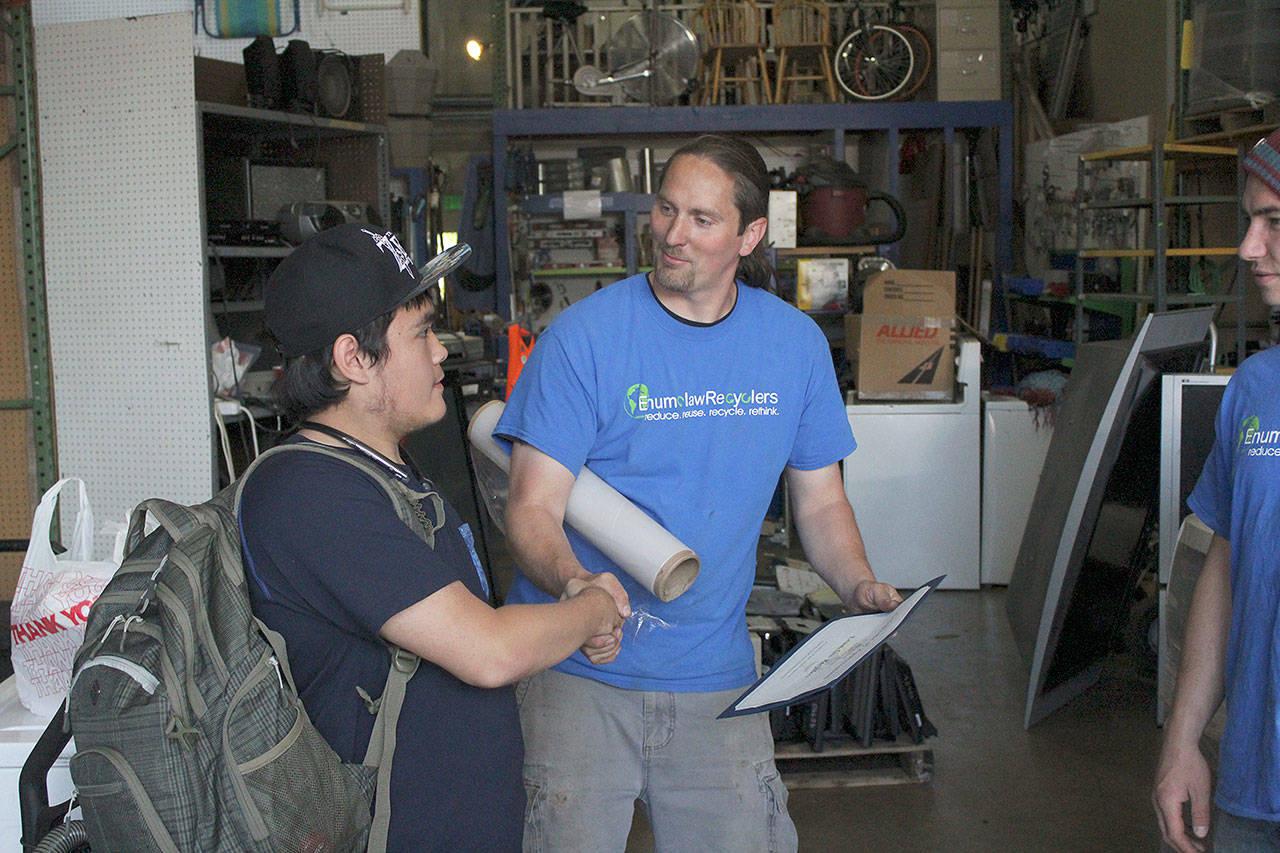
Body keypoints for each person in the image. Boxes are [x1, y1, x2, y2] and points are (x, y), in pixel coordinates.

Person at [494, 134, 903, 851]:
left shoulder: (794, 346)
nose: (673, 234)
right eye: (665, 208)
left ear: (749, 234)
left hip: (717, 678)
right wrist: (574, 581)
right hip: (577, 669)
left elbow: (822, 501)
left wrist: (858, 582)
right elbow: (530, 503)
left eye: (702, 219)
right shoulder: (586, 338)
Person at [238, 224, 626, 851]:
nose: (441, 351)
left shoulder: (383, 468)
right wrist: (591, 609)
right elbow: (488, 651)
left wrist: (576, 598)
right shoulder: (308, 495)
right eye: (420, 333)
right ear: (352, 359)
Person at [1153, 128, 1280, 852]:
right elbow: (1225, 570)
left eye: (1275, 223)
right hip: (1251, 788)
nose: (1248, 248)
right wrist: (1183, 740)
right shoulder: (1255, 389)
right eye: (1249, 221)